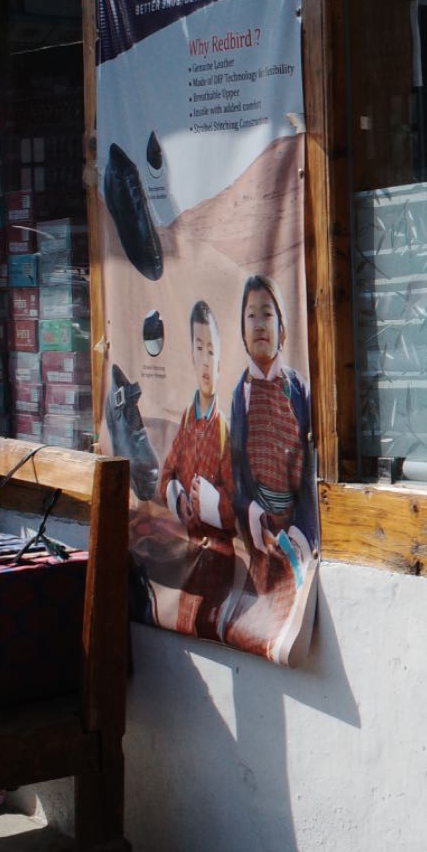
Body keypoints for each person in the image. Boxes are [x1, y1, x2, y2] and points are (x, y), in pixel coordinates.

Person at [222, 274, 317, 654]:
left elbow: (310, 468)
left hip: (296, 529)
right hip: (260, 534)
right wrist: (254, 517)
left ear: (283, 328)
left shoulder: (299, 389)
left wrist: (302, 533)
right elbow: (238, 475)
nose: (260, 324)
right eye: (251, 316)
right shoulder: (239, 396)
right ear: (242, 331)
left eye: (268, 314)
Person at [152, 300, 239, 639]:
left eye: (212, 351)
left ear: (220, 361)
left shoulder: (225, 430)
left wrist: (209, 503)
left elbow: (234, 510)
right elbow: (166, 475)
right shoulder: (188, 420)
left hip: (218, 563)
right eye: (199, 348)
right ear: (190, 354)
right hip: (188, 555)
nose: (205, 360)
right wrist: (177, 499)